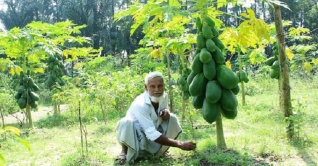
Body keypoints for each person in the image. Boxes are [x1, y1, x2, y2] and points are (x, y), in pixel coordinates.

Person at [115, 71, 196, 165]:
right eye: (152, 86)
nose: (157, 90)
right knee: (126, 122)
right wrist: (180, 144)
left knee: (172, 118)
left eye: (160, 86)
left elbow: (164, 109)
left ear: (163, 86)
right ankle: (124, 151)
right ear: (146, 87)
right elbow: (151, 133)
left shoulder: (163, 96)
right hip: (136, 136)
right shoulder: (140, 104)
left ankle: (161, 150)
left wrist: (167, 112)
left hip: (153, 130)